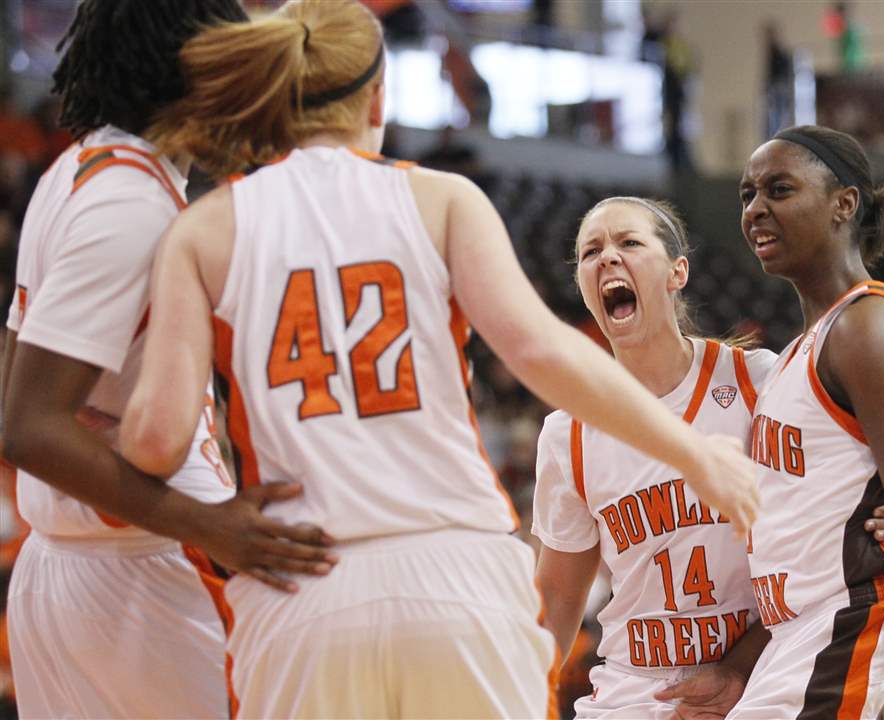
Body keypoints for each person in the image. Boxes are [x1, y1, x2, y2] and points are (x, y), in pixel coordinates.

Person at [118, 1, 759, 717]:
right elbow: (538, 351)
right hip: (456, 579)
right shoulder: (440, 197)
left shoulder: (203, 228)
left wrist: (195, 507)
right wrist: (698, 456)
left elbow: (154, 439)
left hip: (304, 583)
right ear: (378, 97)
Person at [0, 2, 341, 717]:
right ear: (194, 77)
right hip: (144, 575)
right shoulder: (129, 206)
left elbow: (20, 383)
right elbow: (27, 426)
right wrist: (210, 524)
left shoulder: (78, 170)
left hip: (63, 573)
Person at [533, 196, 884, 719]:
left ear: (677, 271)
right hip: (636, 688)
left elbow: (853, 475)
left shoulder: (759, 383)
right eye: (591, 251)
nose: (608, 258)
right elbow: (556, 599)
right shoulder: (567, 432)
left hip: (761, 669)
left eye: (629, 243)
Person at [672, 124, 884, 719]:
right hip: (803, 637)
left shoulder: (866, 328)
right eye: (747, 194)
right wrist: (741, 664)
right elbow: (807, 527)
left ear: (843, 204)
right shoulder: (799, 350)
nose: (755, 210)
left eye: (779, 189)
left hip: (865, 629)